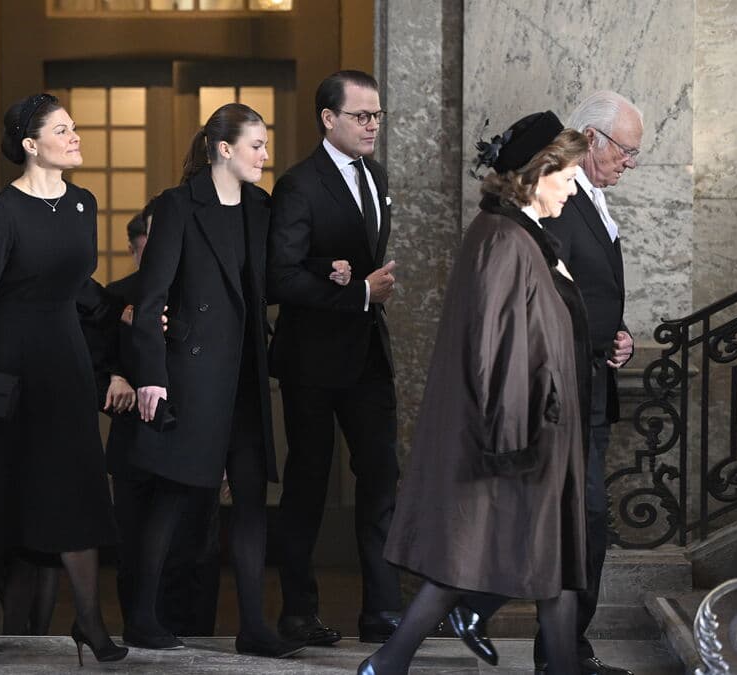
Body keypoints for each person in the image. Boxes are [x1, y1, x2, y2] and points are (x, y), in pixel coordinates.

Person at [361, 111, 592, 675]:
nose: (573, 190)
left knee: (551, 556)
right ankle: (389, 661)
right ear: (536, 176)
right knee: (477, 555)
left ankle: (553, 664)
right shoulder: (505, 239)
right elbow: (491, 345)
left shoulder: (521, 235)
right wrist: (514, 433)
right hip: (521, 430)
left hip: (541, 426)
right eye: (566, 179)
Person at [0, 92, 126, 666]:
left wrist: (126, 311)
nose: (76, 136)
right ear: (32, 145)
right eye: (64, 129)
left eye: (75, 127)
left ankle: (90, 622)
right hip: (6, 366)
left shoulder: (84, 204)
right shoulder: (3, 211)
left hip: (64, 365)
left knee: (76, 491)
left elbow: (80, 286)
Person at [449, 93, 641, 675]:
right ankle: (484, 612)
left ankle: (561, 654)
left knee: (580, 523)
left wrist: (619, 334)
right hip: (559, 390)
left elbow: (589, 291)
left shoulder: (590, 203)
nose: (629, 162)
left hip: (589, 382)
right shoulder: (552, 205)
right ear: (591, 138)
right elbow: (536, 299)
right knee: (569, 522)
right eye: (626, 150)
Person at [127, 102, 303, 659]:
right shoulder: (178, 207)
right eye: (257, 145)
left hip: (245, 376)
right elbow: (151, 297)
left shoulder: (260, 208)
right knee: (175, 498)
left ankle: (254, 626)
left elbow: (275, 278)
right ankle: (140, 618)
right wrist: (152, 377)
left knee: (250, 500)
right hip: (192, 375)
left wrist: (334, 274)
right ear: (224, 149)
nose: (265, 155)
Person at [266, 69, 403, 646]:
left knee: (382, 477)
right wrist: (354, 291)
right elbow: (279, 277)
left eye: (377, 115)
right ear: (329, 119)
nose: (372, 125)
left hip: (368, 356)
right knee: (308, 483)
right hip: (312, 360)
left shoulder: (376, 175)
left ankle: (382, 611)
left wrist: (359, 290)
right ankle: (298, 613)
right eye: (361, 116)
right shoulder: (299, 185)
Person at [106, 204, 224, 638]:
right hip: (135, 439)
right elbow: (96, 360)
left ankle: (195, 634)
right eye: (147, 246)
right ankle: (139, 626)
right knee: (133, 546)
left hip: (192, 434)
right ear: (135, 250)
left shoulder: (201, 295)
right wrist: (116, 375)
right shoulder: (116, 295)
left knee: (197, 546)